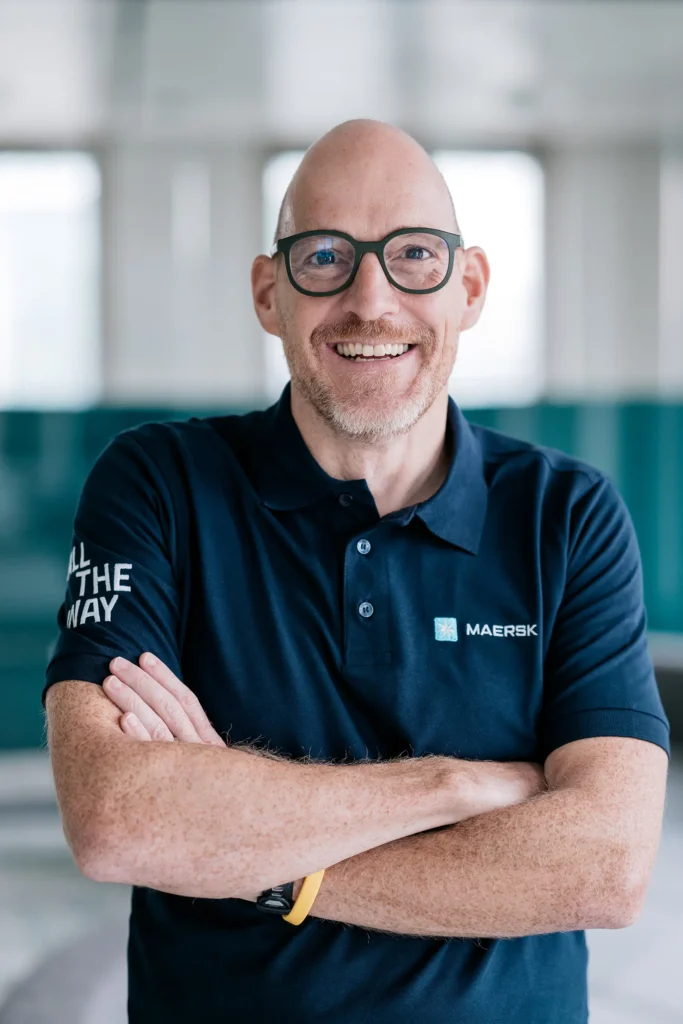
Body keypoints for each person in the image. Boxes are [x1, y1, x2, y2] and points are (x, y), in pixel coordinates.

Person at [43, 119, 670, 1024]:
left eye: (413, 254)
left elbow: (603, 867)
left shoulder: (563, 514)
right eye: (325, 256)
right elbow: (116, 818)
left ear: (470, 286)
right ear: (269, 292)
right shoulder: (160, 485)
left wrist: (252, 861)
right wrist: (450, 786)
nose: (371, 300)